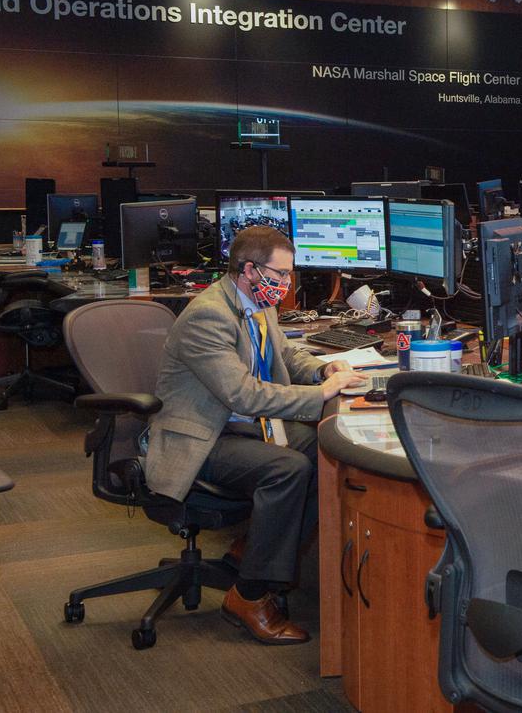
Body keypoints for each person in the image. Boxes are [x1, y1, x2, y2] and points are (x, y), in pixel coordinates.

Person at [144, 226, 366, 644]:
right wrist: (321, 395)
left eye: (288, 275)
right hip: (202, 436)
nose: (286, 285)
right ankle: (249, 595)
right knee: (287, 469)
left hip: (242, 427)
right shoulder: (209, 314)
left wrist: (323, 369)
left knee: (326, 446)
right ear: (249, 270)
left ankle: (256, 553)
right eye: (279, 275)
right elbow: (242, 394)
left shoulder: (256, 302)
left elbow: (285, 353)